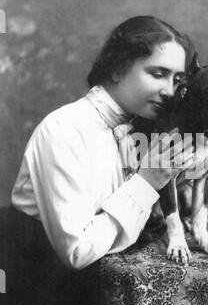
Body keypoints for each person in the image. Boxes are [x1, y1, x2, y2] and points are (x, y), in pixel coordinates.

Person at [10, 15, 196, 271]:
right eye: (157, 74)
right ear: (118, 68)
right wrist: (147, 182)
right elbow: (77, 252)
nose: (169, 91)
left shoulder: (140, 128)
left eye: (177, 81)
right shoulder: (64, 130)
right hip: (41, 280)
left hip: (108, 278)